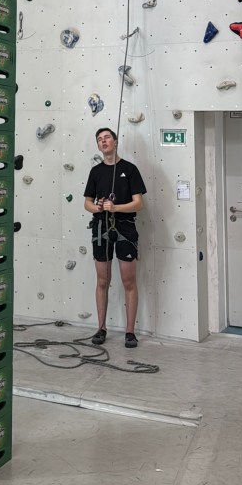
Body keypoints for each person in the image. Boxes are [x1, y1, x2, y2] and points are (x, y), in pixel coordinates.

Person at [83, 128, 147, 349]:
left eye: (107, 137)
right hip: (101, 228)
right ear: (98, 145)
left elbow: (138, 203)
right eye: (99, 139)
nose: (104, 141)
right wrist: (99, 207)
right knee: (102, 281)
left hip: (125, 227)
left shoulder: (130, 169)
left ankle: (130, 332)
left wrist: (116, 207)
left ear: (115, 141)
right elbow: (87, 203)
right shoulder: (96, 172)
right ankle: (101, 328)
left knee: (129, 281)